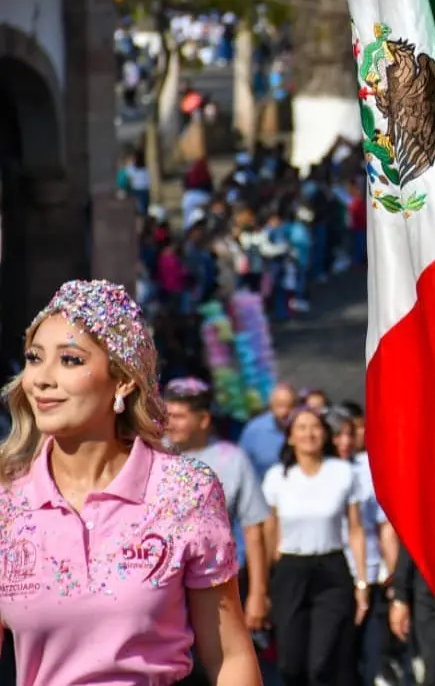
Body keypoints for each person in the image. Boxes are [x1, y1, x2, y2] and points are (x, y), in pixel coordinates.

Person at [0, 280, 260, 685]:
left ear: (121, 380)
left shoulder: (184, 491)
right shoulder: (6, 502)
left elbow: (229, 657)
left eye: (69, 360)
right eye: (34, 358)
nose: (42, 379)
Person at [263, 404, 370, 685]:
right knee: (290, 664)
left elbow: (355, 530)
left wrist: (362, 584)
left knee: (323, 663)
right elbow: (269, 532)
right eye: (301, 427)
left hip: (331, 569)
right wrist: (263, 585)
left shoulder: (343, 473)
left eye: (315, 427)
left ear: (325, 434)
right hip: (291, 569)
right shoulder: (277, 477)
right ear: (290, 436)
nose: (309, 434)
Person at [163, 378, 271, 634]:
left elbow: (254, 530)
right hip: (164, 584)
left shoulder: (233, 460)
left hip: (221, 585)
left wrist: (258, 593)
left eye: (179, 416)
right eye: (166, 414)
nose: (170, 423)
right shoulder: (150, 454)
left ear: (203, 420)